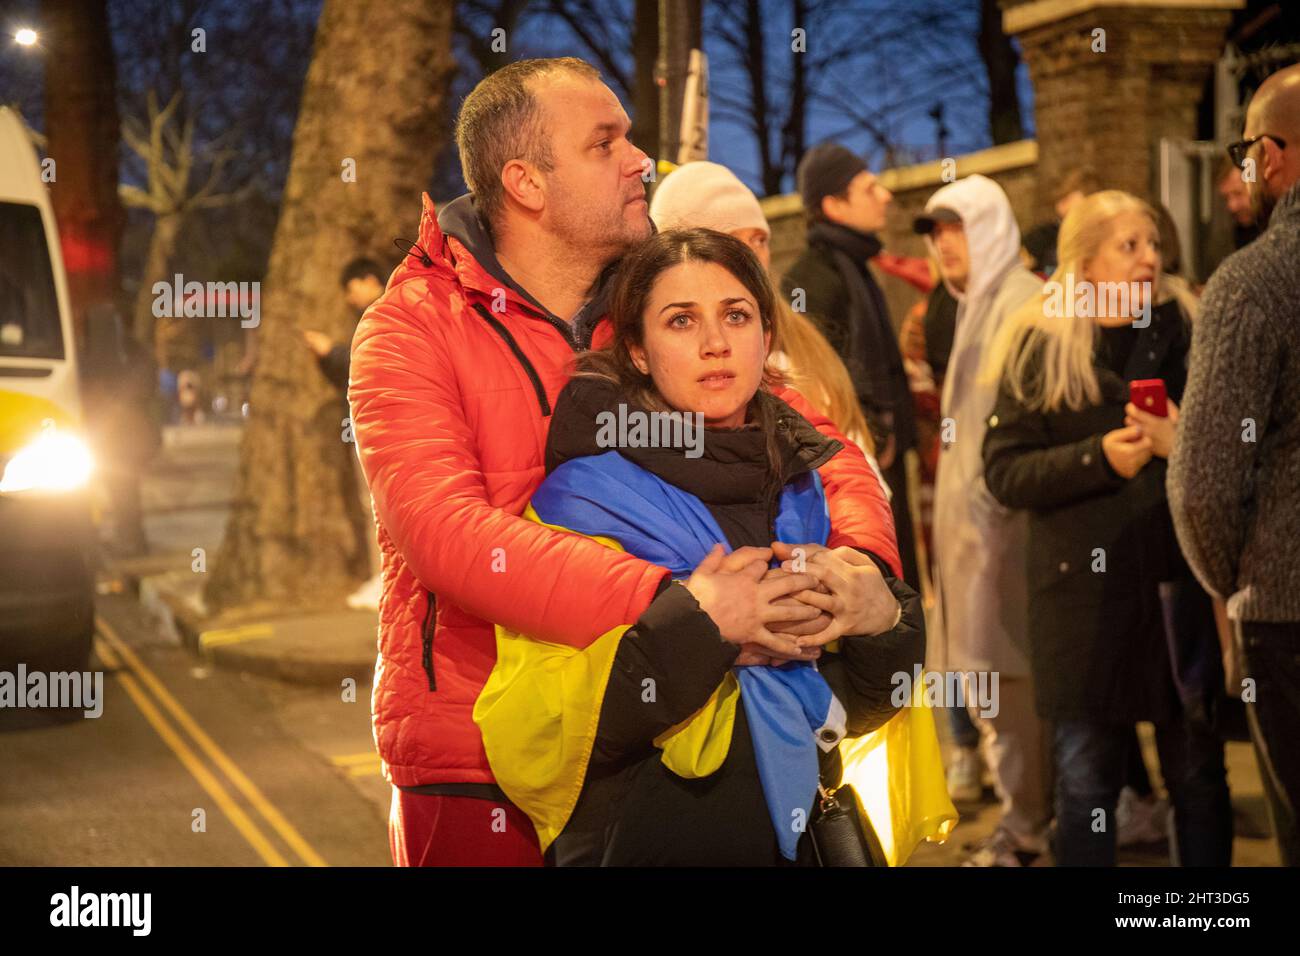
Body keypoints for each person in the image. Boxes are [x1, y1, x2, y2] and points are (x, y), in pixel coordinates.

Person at [348, 57, 901, 867]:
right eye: (605, 144)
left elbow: (821, 445)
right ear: (526, 182)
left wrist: (860, 564)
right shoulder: (411, 328)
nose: (640, 160)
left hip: (673, 726)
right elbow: (447, 533)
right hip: (478, 756)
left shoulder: (654, 302)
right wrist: (683, 607)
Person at [475, 229, 926, 865]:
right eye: (681, 321)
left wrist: (887, 622)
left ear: (766, 336)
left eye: (736, 316)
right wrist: (700, 626)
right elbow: (546, 732)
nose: (716, 343)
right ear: (636, 349)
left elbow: (854, 712)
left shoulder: (805, 487)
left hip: (800, 841)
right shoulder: (581, 501)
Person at [981, 189, 1232, 867]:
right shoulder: (1040, 341)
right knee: (1086, 782)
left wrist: (1182, 442)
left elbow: (1240, 449)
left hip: (1173, 593)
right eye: (1130, 245)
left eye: (1153, 243)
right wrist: (1098, 458)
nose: (1150, 258)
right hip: (1080, 604)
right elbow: (1004, 472)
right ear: (1085, 262)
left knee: (1198, 774)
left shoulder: (1188, 324)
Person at [1169, 62, 1300, 866]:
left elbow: (1203, 488)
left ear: (1275, 156)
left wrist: (1234, 582)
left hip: (1289, 613)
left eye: (1246, 149)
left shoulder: (1252, 284)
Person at [915, 174, 1049, 866]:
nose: (942, 245)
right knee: (997, 689)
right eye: (935, 232)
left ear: (992, 228)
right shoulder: (974, 307)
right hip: (978, 547)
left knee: (1016, 691)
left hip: (1010, 547)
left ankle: (1027, 831)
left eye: (954, 227)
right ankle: (1023, 823)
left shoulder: (1025, 309)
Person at [781, 143, 920, 590]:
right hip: (853, 454)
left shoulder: (855, 266)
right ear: (833, 204)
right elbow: (819, 378)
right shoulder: (812, 278)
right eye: (868, 187)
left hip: (878, 443)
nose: (885, 196)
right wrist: (871, 430)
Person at [304, 257, 387, 610]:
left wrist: (330, 352)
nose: (349, 300)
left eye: (352, 291)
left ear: (369, 281)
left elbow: (367, 365)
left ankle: (385, 578)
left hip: (377, 427)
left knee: (376, 505)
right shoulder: (382, 312)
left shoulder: (384, 314)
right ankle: (381, 576)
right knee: (372, 505)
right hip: (369, 423)